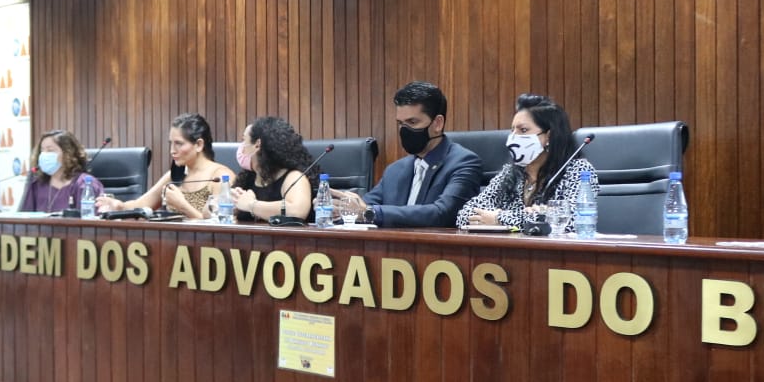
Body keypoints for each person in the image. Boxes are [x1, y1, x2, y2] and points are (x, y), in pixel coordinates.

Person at [334, 81, 482, 228]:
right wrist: (339, 208)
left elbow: (442, 213)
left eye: (412, 122)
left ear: (437, 123)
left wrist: (370, 213)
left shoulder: (464, 163)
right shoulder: (395, 170)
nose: (404, 130)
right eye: (401, 123)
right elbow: (364, 207)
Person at [457, 94, 597, 228]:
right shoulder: (510, 172)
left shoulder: (578, 170)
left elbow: (574, 220)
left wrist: (498, 218)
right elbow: (464, 215)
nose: (513, 138)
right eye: (512, 130)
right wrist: (528, 217)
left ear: (549, 136)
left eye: (523, 130)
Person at [95, 113, 235, 219]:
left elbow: (218, 226)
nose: (172, 151)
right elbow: (142, 204)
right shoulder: (176, 174)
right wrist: (119, 206)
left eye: (179, 144)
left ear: (199, 145)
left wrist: (182, 206)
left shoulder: (220, 177)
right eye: (171, 144)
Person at [229, 116, 315, 223]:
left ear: (257, 145)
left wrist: (251, 205)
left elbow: (297, 211)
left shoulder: (294, 177)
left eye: (244, 140)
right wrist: (233, 203)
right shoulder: (247, 178)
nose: (241, 147)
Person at [19, 129, 105, 213]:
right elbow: (23, 218)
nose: (44, 155)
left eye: (50, 150)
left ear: (68, 153)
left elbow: (91, 218)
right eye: (42, 150)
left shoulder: (85, 183)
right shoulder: (37, 183)